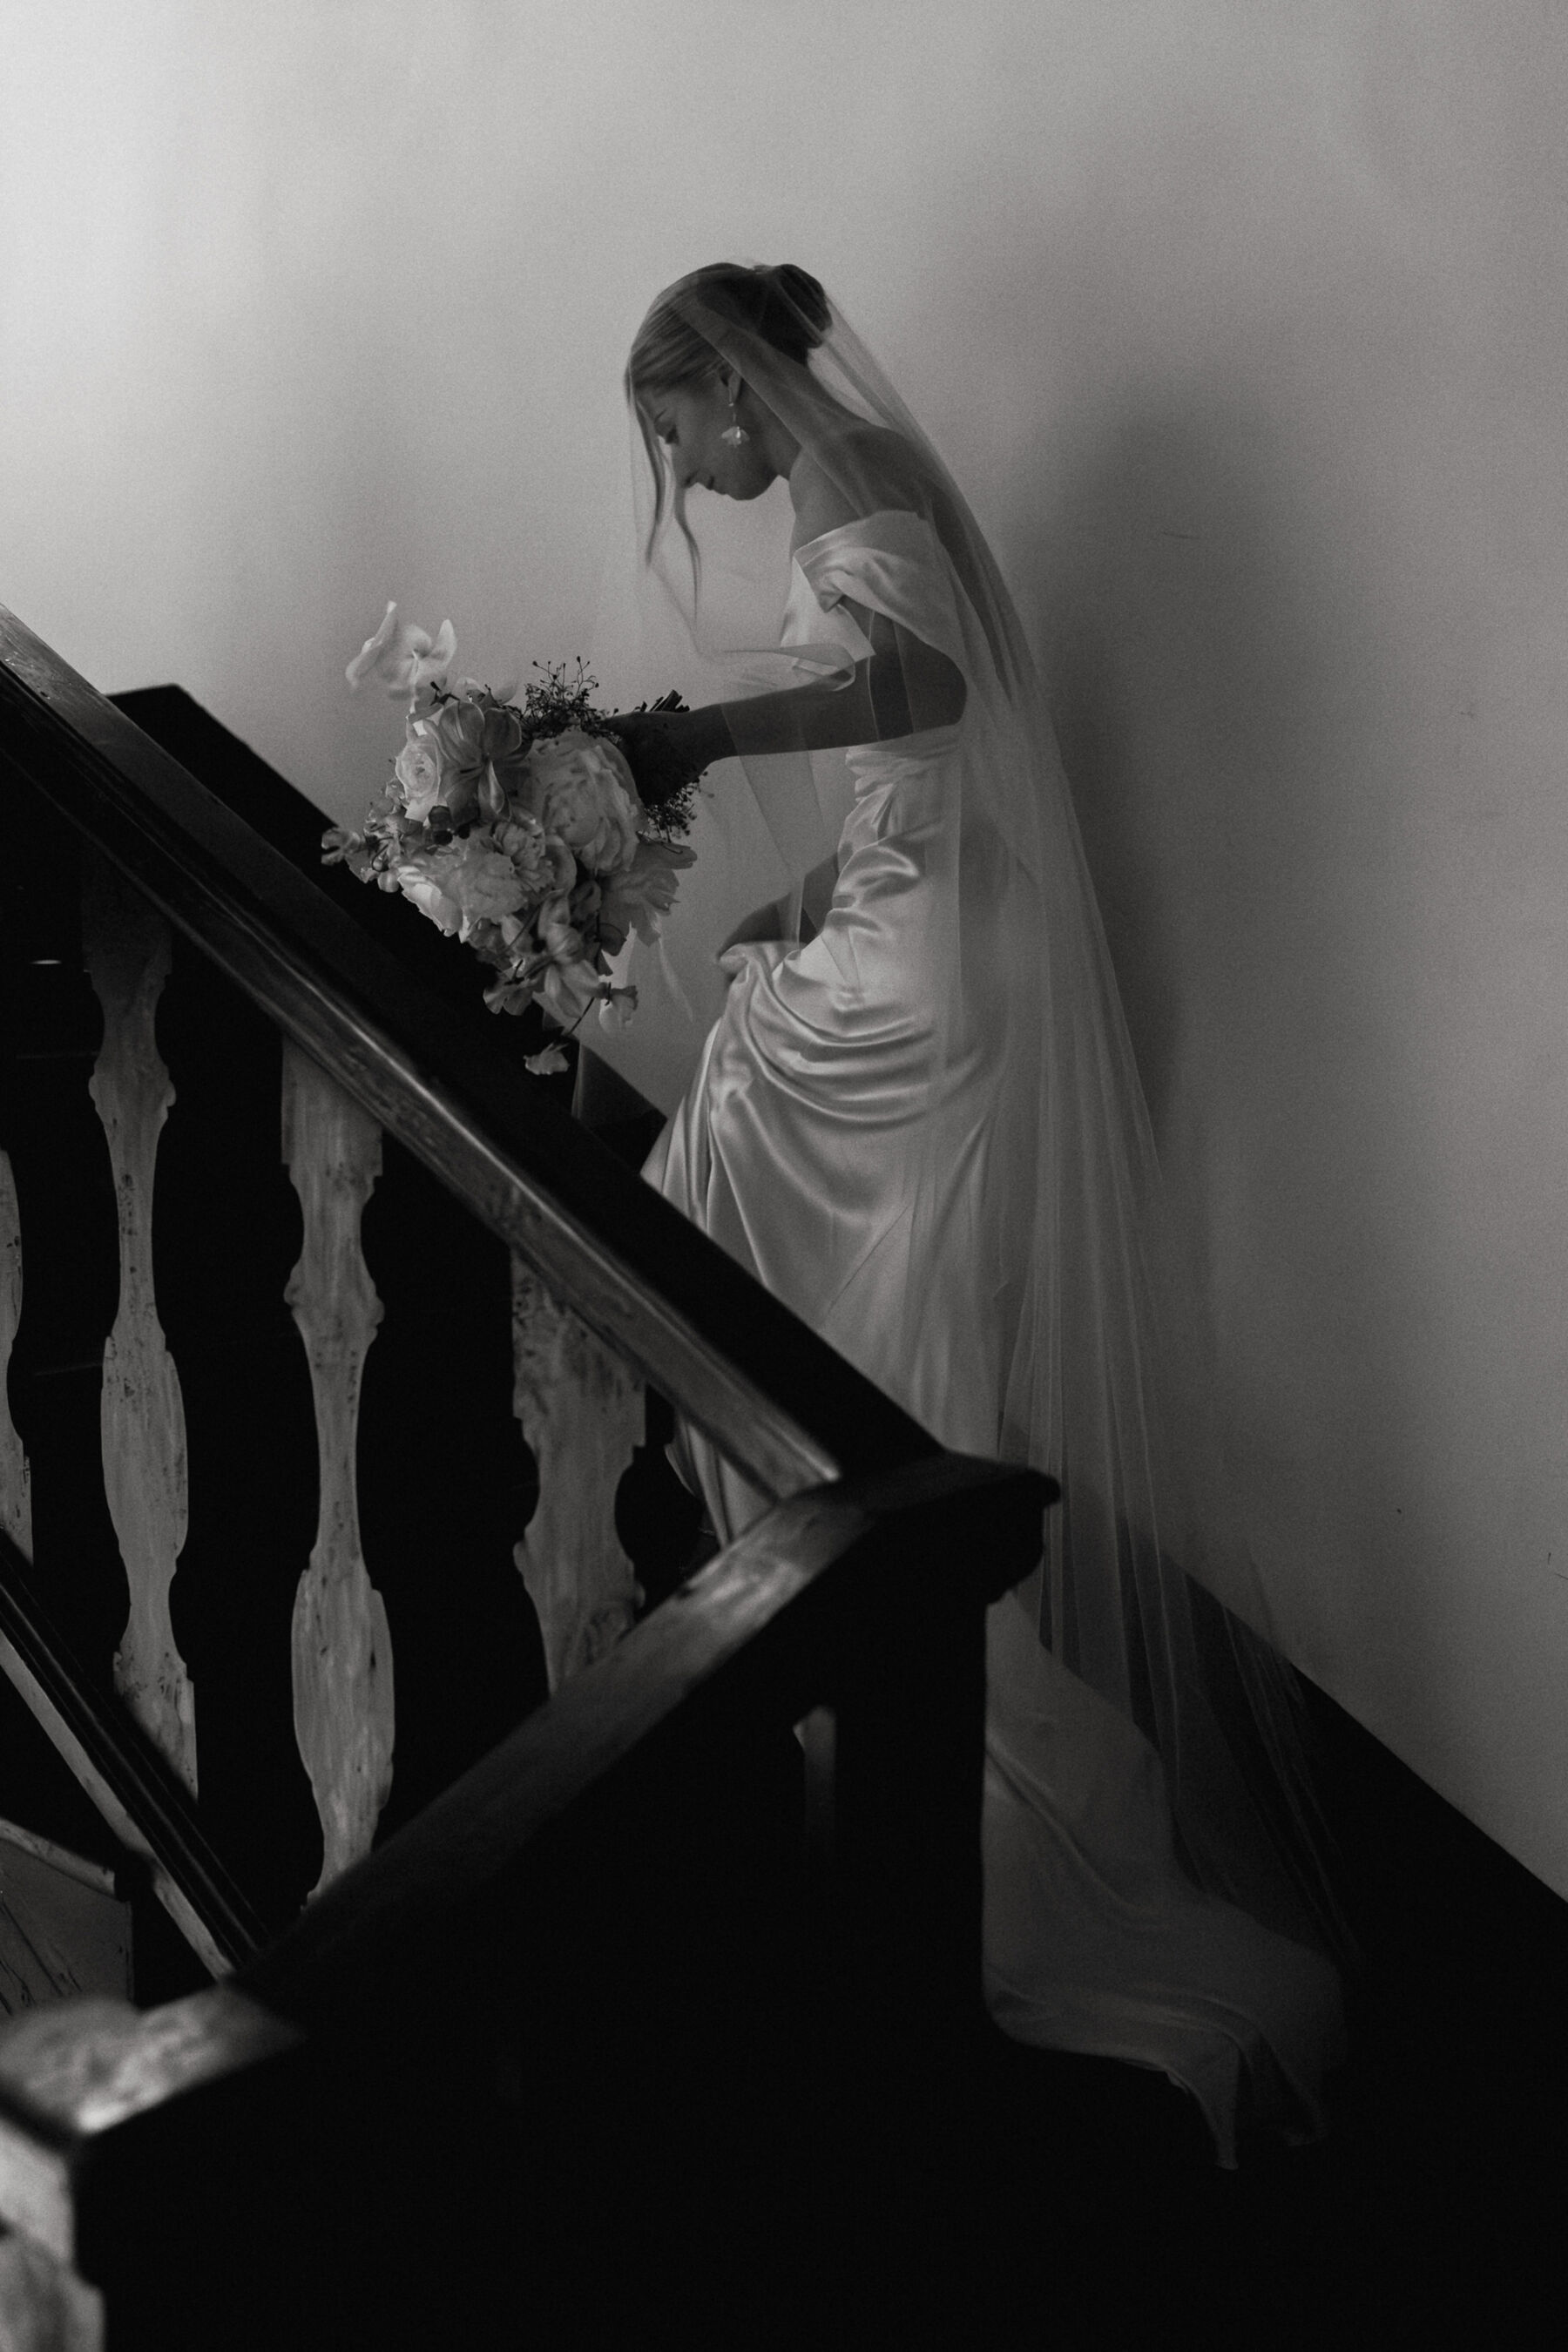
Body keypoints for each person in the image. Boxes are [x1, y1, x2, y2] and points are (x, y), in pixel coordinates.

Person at [600, 262, 1353, 2166]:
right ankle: (873, 1685)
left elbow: (922, 691)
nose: (684, 471)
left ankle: (892, 1719)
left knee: (713, 1240)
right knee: (839, 1311)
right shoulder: (879, 473)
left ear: (732, 387)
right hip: (942, 941)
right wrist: (825, 894)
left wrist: (700, 742)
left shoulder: (848, 477)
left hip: (926, 989)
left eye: (675, 432)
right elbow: (944, 761)